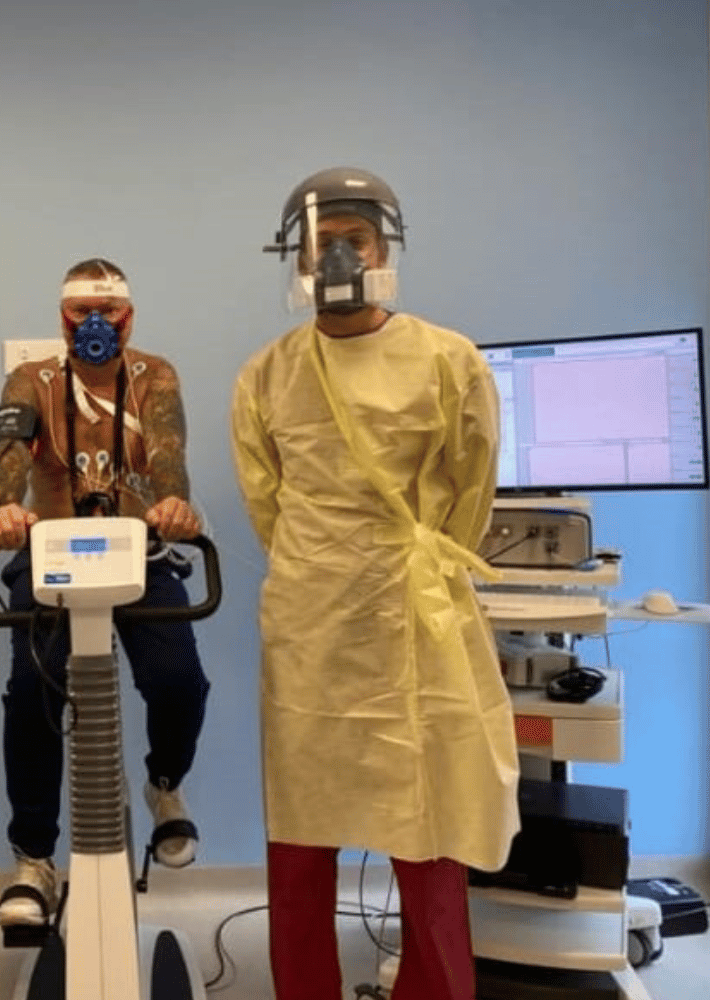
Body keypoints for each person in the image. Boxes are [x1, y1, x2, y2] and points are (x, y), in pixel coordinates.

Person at [230, 167, 519, 1000]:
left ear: (386, 249)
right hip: (310, 629)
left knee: (428, 836)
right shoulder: (267, 375)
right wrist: (328, 569)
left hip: (415, 621)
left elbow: (469, 493)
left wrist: (399, 568)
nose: (339, 258)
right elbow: (267, 505)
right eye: (322, 245)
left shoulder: (447, 359)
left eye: (355, 241)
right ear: (294, 259)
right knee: (301, 843)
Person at [0, 258, 210, 928]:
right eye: (83, 312)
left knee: (178, 680)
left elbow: (168, 453)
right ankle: (32, 858)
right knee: (33, 690)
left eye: (109, 310)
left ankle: (165, 785)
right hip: (51, 549)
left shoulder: (153, 375)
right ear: (63, 319)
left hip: (138, 548)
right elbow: (9, 457)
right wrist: (0, 512)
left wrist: (173, 505)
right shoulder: (34, 380)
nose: (96, 324)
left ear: (130, 316)